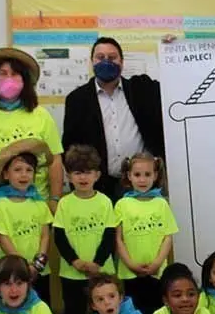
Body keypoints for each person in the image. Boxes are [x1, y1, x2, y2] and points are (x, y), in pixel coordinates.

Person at [62, 37, 165, 202]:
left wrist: (171, 48)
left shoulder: (142, 89)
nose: (106, 62)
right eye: (100, 57)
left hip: (140, 182)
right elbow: (69, 146)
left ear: (122, 62)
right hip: (97, 187)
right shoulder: (77, 99)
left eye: (112, 57)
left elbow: (175, 84)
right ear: (92, 62)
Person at [0, 47, 63, 206]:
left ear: (24, 80)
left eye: (15, 74)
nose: (9, 78)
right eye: (3, 73)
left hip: (34, 208)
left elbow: (55, 161)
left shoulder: (41, 115)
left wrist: (55, 199)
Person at [53, 145, 117, 314]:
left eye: (88, 172)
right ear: (69, 176)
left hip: (102, 273)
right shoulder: (64, 203)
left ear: (97, 175)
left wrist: (96, 264)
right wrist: (76, 262)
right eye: (77, 172)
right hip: (72, 274)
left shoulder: (105, 202)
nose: (83, 177)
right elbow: (59, 237)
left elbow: (110, 236)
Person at [114, 151, 178, 314]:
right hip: (130, 273)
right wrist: (130, 264)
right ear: (129, 176)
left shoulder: (161, 204)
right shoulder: (122, 205)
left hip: (157, 272)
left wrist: (157, 262)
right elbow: (118, 238)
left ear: (155, 175)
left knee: (156, 313)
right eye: (137, 175)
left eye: (147, 174)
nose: (142, 180)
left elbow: (168, 236)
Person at [0, 139, 54, 304]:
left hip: (39, 270)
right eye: (17, 170)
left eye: (29, 170)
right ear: (6, 174)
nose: (24, 175)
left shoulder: (39, 203)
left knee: (41, 307)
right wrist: (23, 267)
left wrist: (37, 265)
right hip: (11, 271)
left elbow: (45, 235)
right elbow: (3, 237)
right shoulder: (1, 204)